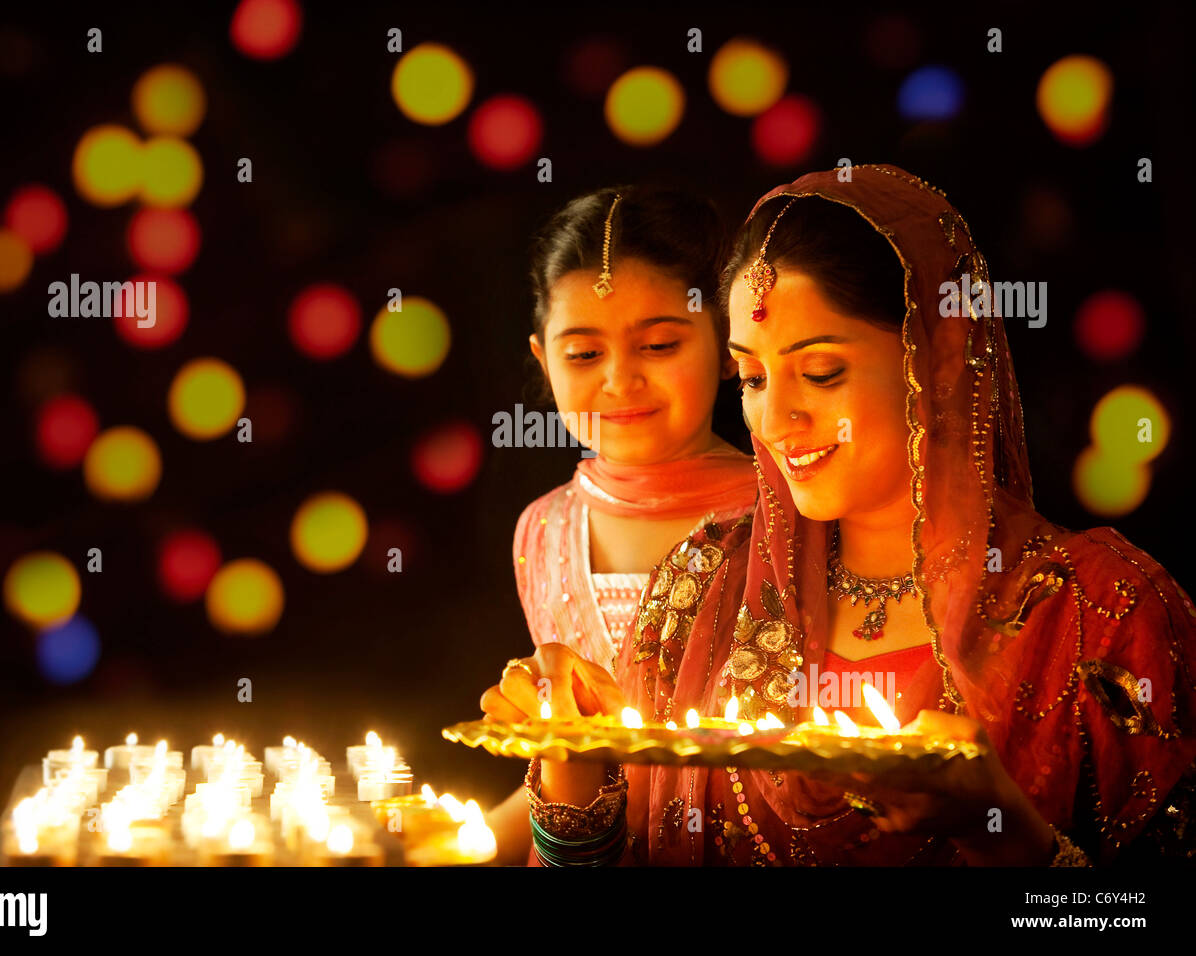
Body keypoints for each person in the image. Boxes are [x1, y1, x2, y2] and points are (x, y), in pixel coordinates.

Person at [482, 164, 1196, 866]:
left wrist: (1000, 828)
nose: (776, 419)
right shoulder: (698, 592)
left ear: (939, 355)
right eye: (754, 378)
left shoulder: (1102, 613)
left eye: (821, 373)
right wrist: (571, 773)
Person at [482, 185, 759, 863]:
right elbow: (576, 765)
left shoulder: (786, 514)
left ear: (728, 345)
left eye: (659, 344)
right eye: (582, 355)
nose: (619, 380)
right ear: (543, 362)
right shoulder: (543, 532)